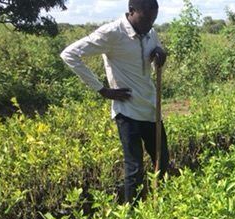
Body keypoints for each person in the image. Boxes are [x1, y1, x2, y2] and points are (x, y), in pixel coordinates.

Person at [60, 0, 169, 204]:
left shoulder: (150, 32)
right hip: (127, 111)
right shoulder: (112, 32)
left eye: (154, 19)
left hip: (151, 108)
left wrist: (160, 55)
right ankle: (133, 218)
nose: (149, 25)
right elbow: (70, 54)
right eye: (146, 18)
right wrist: (102, 90)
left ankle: (160, 205)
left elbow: (155, 58)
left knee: (162, 161)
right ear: (132, 11)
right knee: (134, 168)